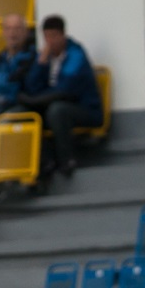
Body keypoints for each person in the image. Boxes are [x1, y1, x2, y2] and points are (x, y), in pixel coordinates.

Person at [20, 14, 103, 176]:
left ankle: (67, 160)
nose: (50, 41)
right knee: (26, 113)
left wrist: (38, 99)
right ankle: (45, 162)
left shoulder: (75, 54)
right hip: (54, 103)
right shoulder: (44, 57)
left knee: (57, 110)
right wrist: (40, 65)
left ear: (63, 35)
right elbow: (32, 87)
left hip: (85, 108)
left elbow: (66, 89)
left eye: (54, 36)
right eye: (46, 37)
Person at [0, 13, 35, 125]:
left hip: (21, 107)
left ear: (26, 32)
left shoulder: (32, 57)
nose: (12, 33)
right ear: (3, 32)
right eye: (8, 29)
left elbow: (20, 88)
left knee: (3, 124)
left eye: (17, 29)